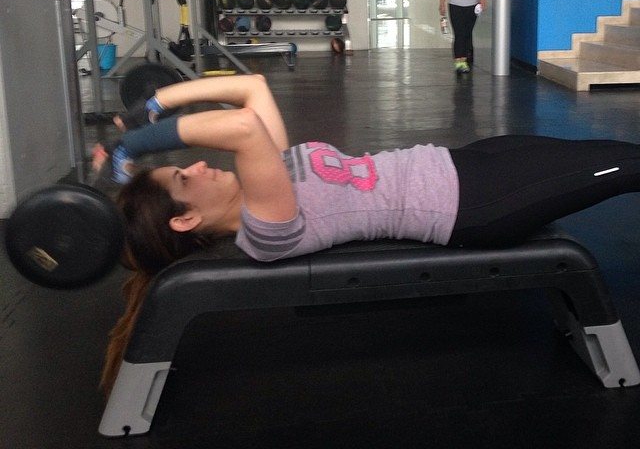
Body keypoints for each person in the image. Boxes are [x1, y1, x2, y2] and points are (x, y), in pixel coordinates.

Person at [99, 74, 640, 393]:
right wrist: (136, 144)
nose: (196, 165)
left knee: (604, 153)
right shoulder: (265, 227)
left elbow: (251, 89)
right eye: (183, 178)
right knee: (627, 164)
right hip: (475, 204)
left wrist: (158, 100)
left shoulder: (263, 179)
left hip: (461, 165)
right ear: (185, 220)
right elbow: (241, 127)